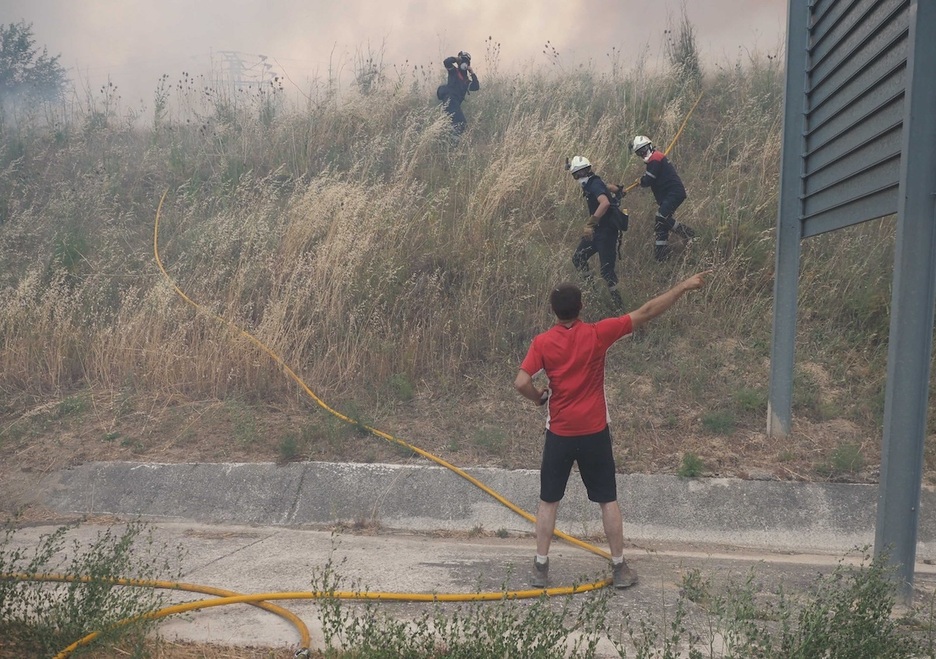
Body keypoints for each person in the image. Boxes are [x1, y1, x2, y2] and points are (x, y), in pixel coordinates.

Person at [514, 271, 710, 589]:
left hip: (560, 434)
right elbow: (646, 311)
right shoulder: (598, 333)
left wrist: (539, 399)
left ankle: (540, 568)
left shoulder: (542, 343)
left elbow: (521, 381)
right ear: (581, 306)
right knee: (607, 500)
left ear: (553, 311)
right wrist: (683, 287)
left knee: (548, 501)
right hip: (594, 433)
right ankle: (619, 568)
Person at [568, 156, 627, 306]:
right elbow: (603, 187)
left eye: (583, 172)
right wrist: (616, 189)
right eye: (577, 174)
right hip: (597, 233)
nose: (580, 177)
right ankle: (593, 291)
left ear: (588, 170)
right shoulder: (592, 182)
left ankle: (619, 304)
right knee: (578, 258)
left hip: (606, 233)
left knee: (607, 272)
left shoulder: (593, 183)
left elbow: (605, 203)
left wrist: (590, 223)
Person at [632, 135, 696, 262]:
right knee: (661, 224)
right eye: (640, 152)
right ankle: (661, 255)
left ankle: (688, 233)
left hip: (674, 193)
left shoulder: (655, 158)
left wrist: (641, 181)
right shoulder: (655, 159)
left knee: (661, 217)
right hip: (669, 194)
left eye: (644, 149)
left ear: (649, 146)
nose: (643, 153)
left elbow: (648, 180)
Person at [440, 51, 480, 136]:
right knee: (461, 124)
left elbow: (476, 86)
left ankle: (447, 141)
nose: (464, 63)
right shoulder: (453, 71)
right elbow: (446, 62)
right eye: (463, 61)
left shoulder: (466, 80)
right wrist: (457, 59)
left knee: (455, 125)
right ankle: (453, 144)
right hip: (450, 101)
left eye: (466, 62)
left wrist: (472, 72)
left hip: (455, 104)